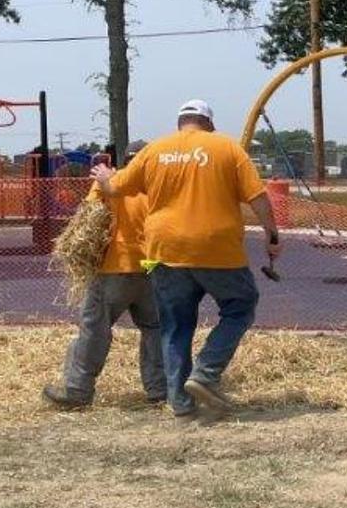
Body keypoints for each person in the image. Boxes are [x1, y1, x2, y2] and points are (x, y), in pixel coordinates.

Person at [91, 99, 281, 418]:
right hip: (218, 250)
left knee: (175, 326)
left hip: (165, 250)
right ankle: (205, 373)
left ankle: (180, 403)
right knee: (240, 307)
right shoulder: (228, 149)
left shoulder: (155, 150)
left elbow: (115, 187)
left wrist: (103, 175)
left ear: (181, 122)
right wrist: (272, 236)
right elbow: (257, 197)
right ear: (208, 123)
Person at [42, 153, 164, 409]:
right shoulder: (160, 184)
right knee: (155, 329)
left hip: (115, 266)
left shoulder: (109, 179)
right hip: (152, 266)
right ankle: (159, 390)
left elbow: (88, 218)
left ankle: (77, 390)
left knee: (95, 328)